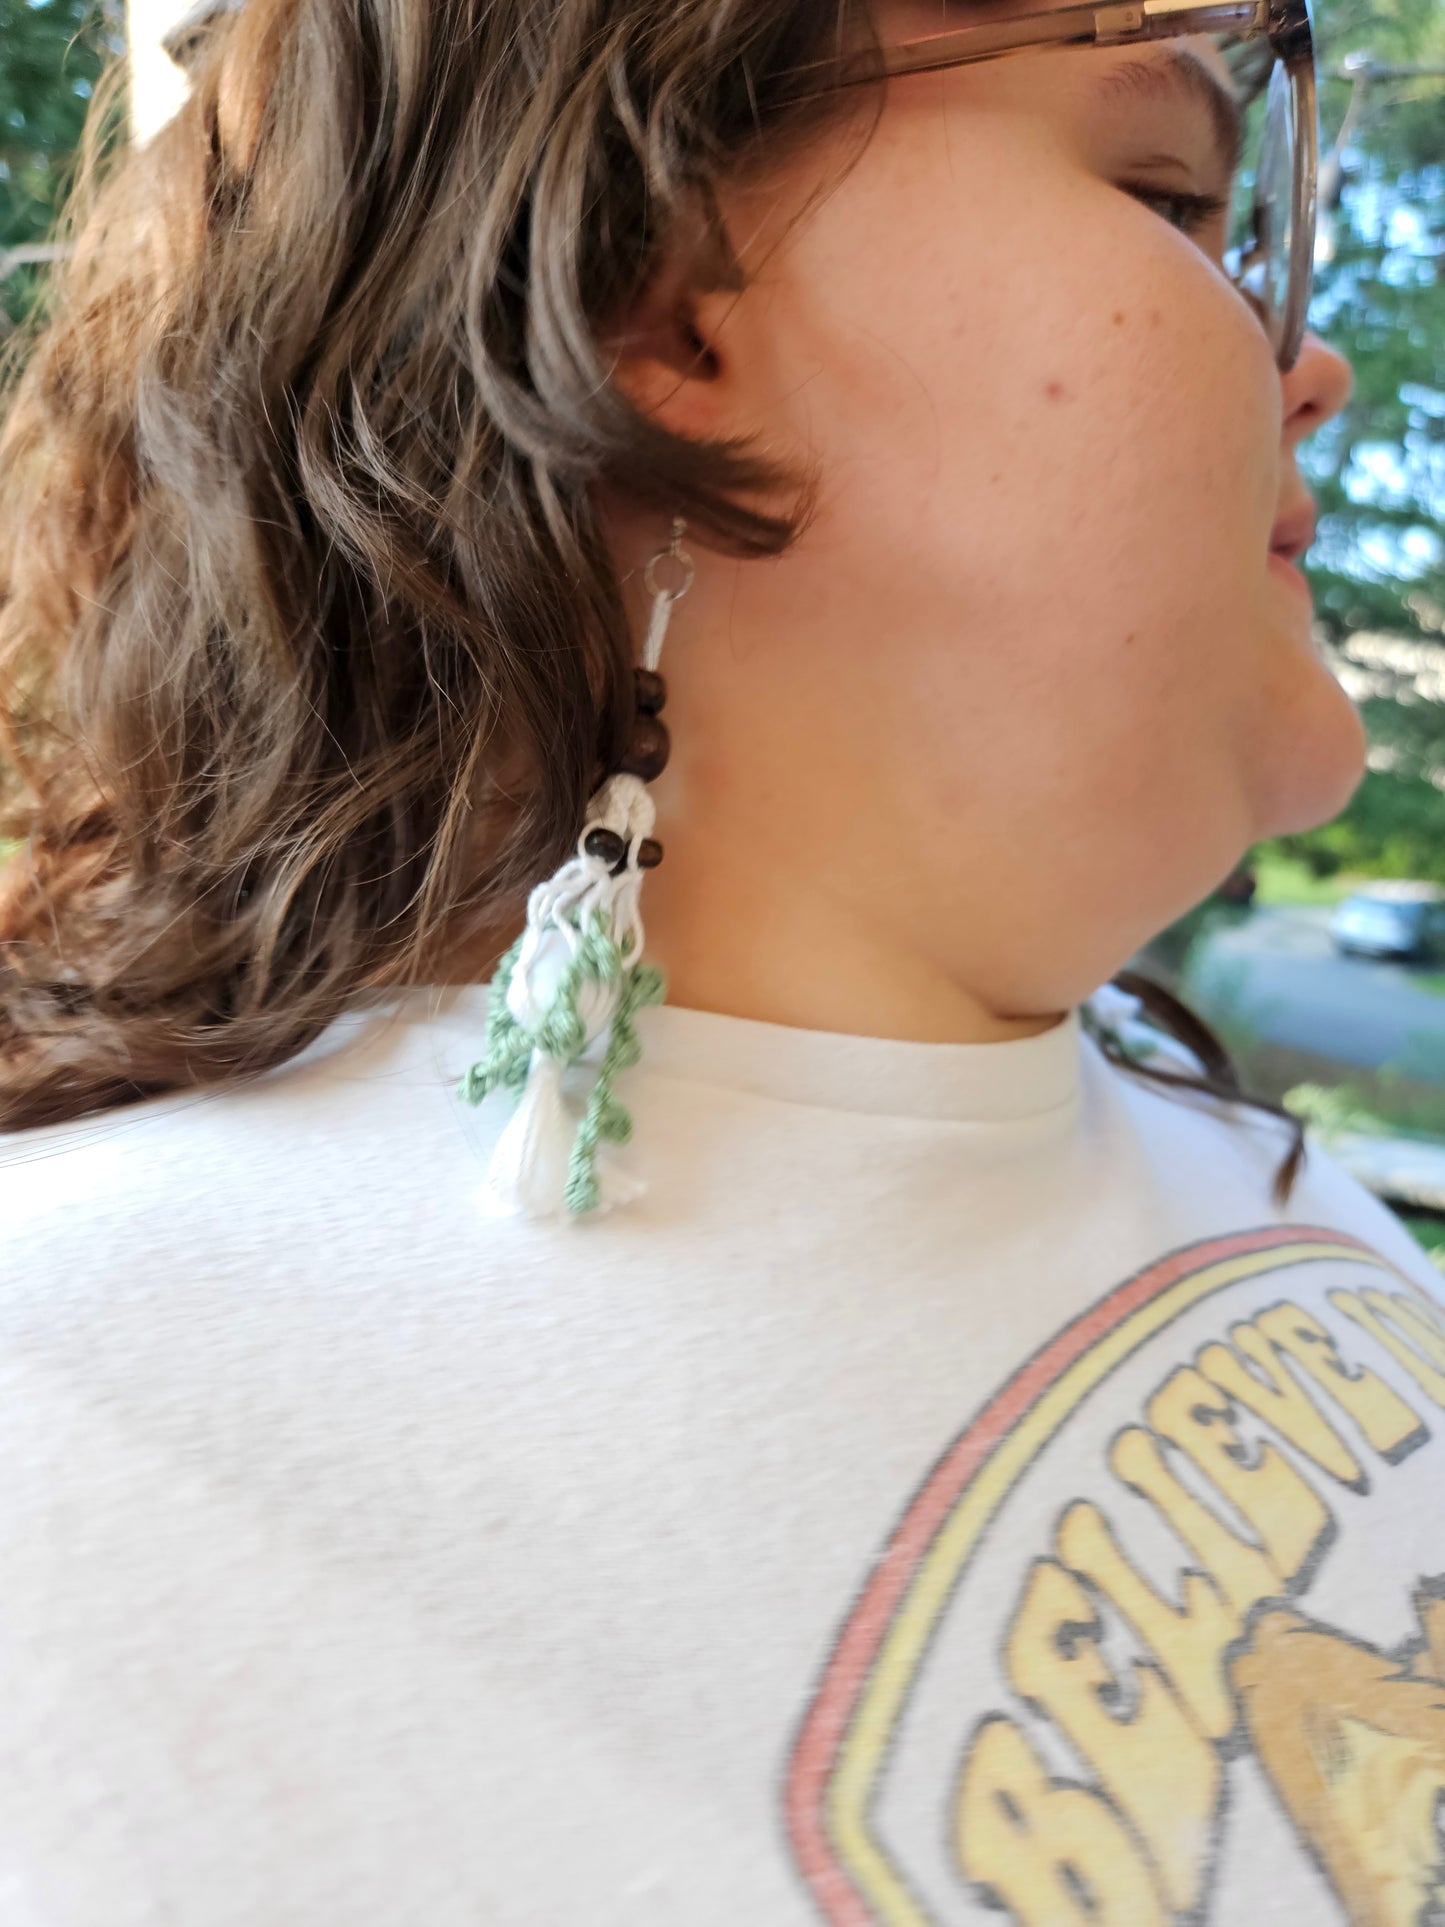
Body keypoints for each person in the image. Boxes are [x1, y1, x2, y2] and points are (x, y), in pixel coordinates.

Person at [1, 0, 1442, 1919]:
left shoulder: (1283, 1192)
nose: (1315, 361)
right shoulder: (74, 1451)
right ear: (667, 309)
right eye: (1174, 186)